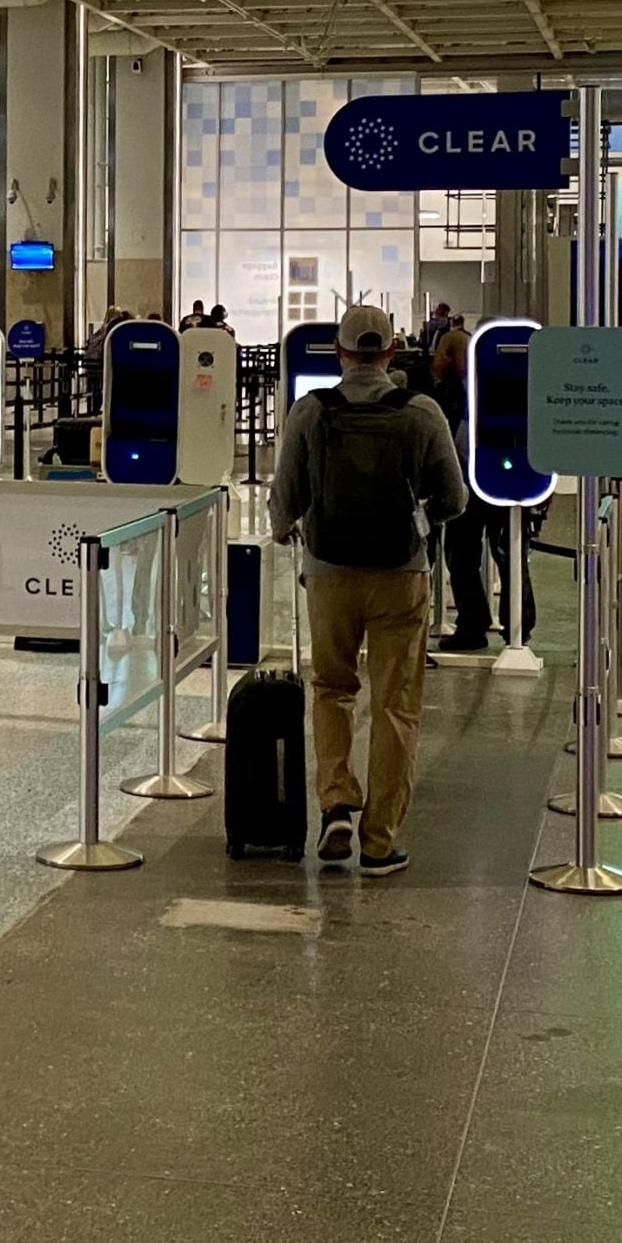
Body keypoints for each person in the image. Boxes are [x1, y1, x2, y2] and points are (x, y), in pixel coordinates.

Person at [268, 303, 464, 876]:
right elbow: (454, 498)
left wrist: (290, 534)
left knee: (331, 688)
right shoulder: (420, 412)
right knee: (395, 705)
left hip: (328, 572)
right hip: (401, 574)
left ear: (340, 352)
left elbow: (285, 498)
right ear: (392, 350)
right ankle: (379, 841)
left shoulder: (311, 411)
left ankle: (335, 804)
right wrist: (417, 521)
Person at [440, 417, 536, 654]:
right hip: (479, 465)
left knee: (504, 551)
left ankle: (512, 626)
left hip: (498, 461)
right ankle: (504, 626)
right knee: (469, 552)